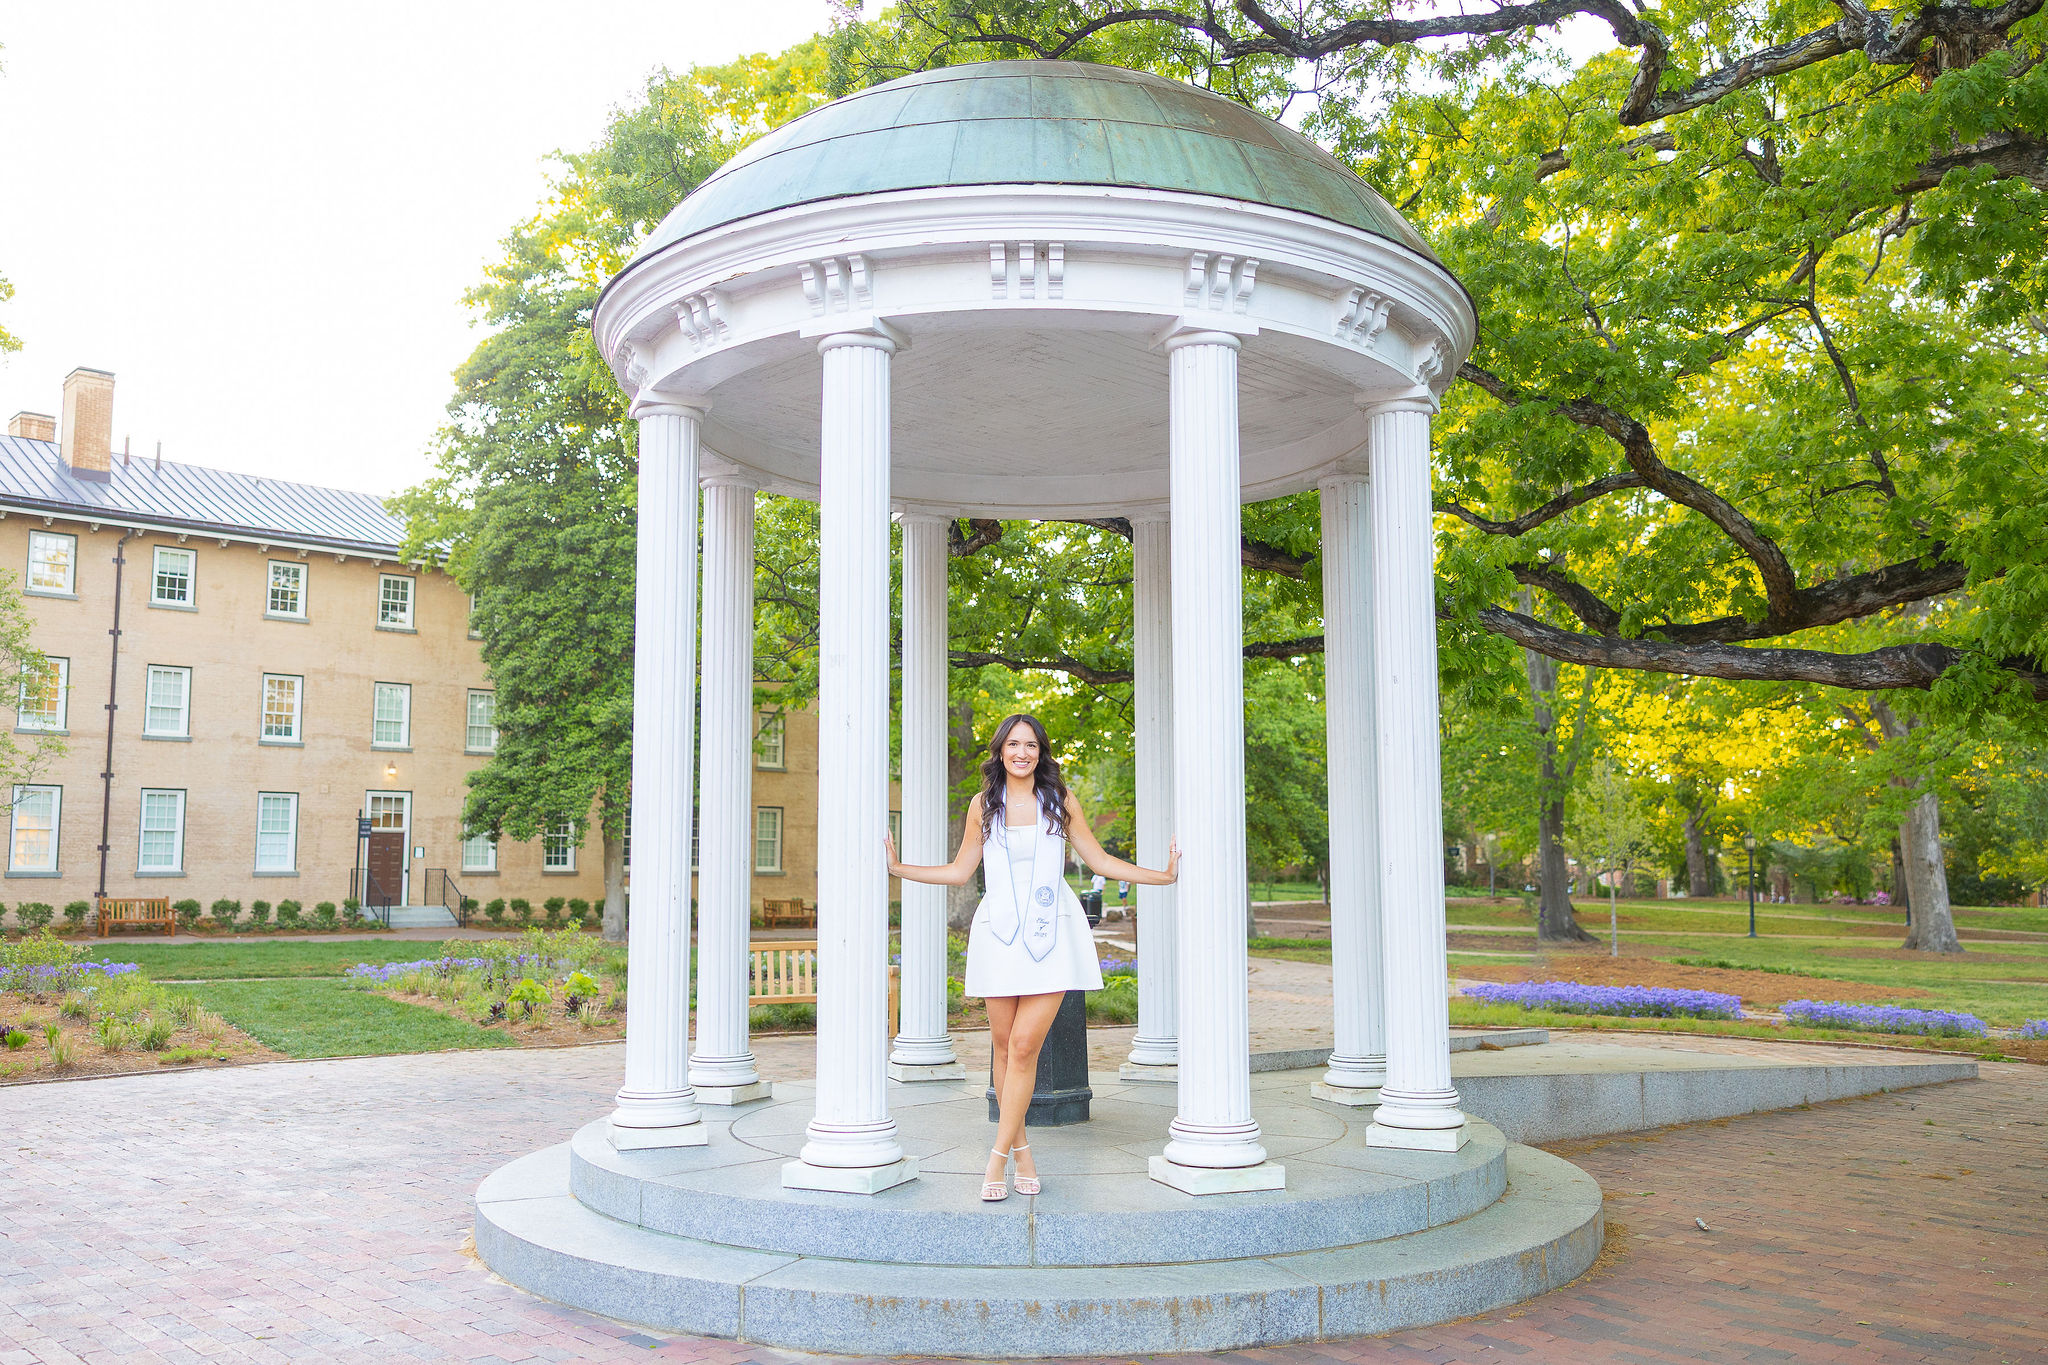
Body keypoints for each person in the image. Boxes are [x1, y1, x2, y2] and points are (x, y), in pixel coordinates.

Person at [885, 712, 1178, 1202]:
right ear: (1000, 750)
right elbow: (961, 872)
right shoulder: (985, 805)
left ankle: (994, 1159)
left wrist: (1162, 877)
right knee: (1002, 1049)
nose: (1022, 753)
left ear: (1041, 753)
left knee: (1023, 1047)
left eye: (1032, 746)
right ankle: (1021, 1150)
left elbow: (1099, 860)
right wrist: (899, 868)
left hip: (1051, 935)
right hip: (999, 936)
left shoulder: (1059, 801)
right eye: (1013, 744)